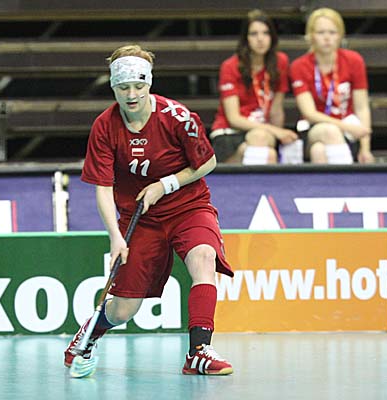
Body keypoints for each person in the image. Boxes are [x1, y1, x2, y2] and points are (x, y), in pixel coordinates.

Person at [64, 44, 234, 376]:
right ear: (113, 87)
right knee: (124, 310)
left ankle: (199, 352)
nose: (131, 94)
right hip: (140, 219)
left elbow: (208, 162)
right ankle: (90, 332)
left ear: (149, 83)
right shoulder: (105, 126)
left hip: (188, 207)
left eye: (138, 86)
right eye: (123, 87)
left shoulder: (178, 118)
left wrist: (165, 184)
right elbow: (103, 187)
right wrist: (115, 238)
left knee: (204, 258)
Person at [210, 9, 298, 165]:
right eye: (254, 34)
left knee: (267, 147)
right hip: (230, 132)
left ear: (272, 37)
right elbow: (234, 118)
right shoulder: (230, 66)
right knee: (264, 147)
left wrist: (278, 137)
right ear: (246, 39)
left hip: (263, 133)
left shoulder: (280, 62)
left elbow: (276, 111)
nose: (260, 39)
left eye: (265, 33)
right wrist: (275, 131)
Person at [289, 7, 374, 164]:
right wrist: (345, 127)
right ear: (310, 36)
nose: (327, 38)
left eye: (332, 32)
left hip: (349, 131)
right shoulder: (299, 66)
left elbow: (362, 107)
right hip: (314, 128)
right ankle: (347, 177)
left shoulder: (354, 61)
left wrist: (365, 148)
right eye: (321, 32)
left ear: (340, 35)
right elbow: (309, 113)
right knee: (330, 131)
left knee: (319, 151)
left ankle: (328, 181)